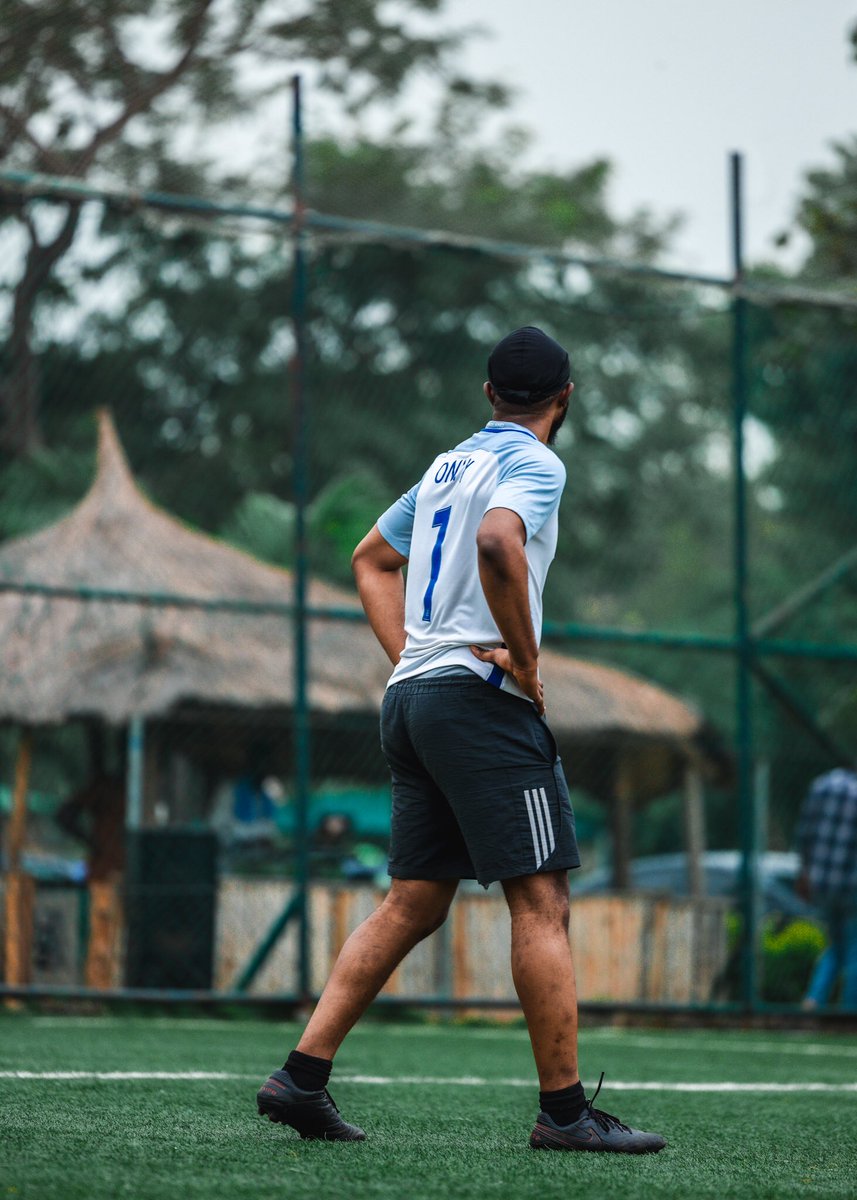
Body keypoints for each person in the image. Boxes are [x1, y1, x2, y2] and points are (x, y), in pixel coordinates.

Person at [256, 326, 666, 1153]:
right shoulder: (537, 464)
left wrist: (413, 655)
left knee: (412, 900)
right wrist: (522, 654)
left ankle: (301, 1078)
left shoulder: (446, 466)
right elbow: (496, 541)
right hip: (478, 705)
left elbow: (371, 559)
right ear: (565, 399)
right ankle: (563, 1116)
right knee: (541, 902)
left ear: (487, 395)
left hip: (411, 698)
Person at [796, 766, 857, 1009]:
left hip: (822, 882)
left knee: (836, 944)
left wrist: (803, 872)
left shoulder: (821, 786)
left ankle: (814, 999)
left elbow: (804, 834)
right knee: (854, 947)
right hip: (852, 885)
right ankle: (851, 1009)